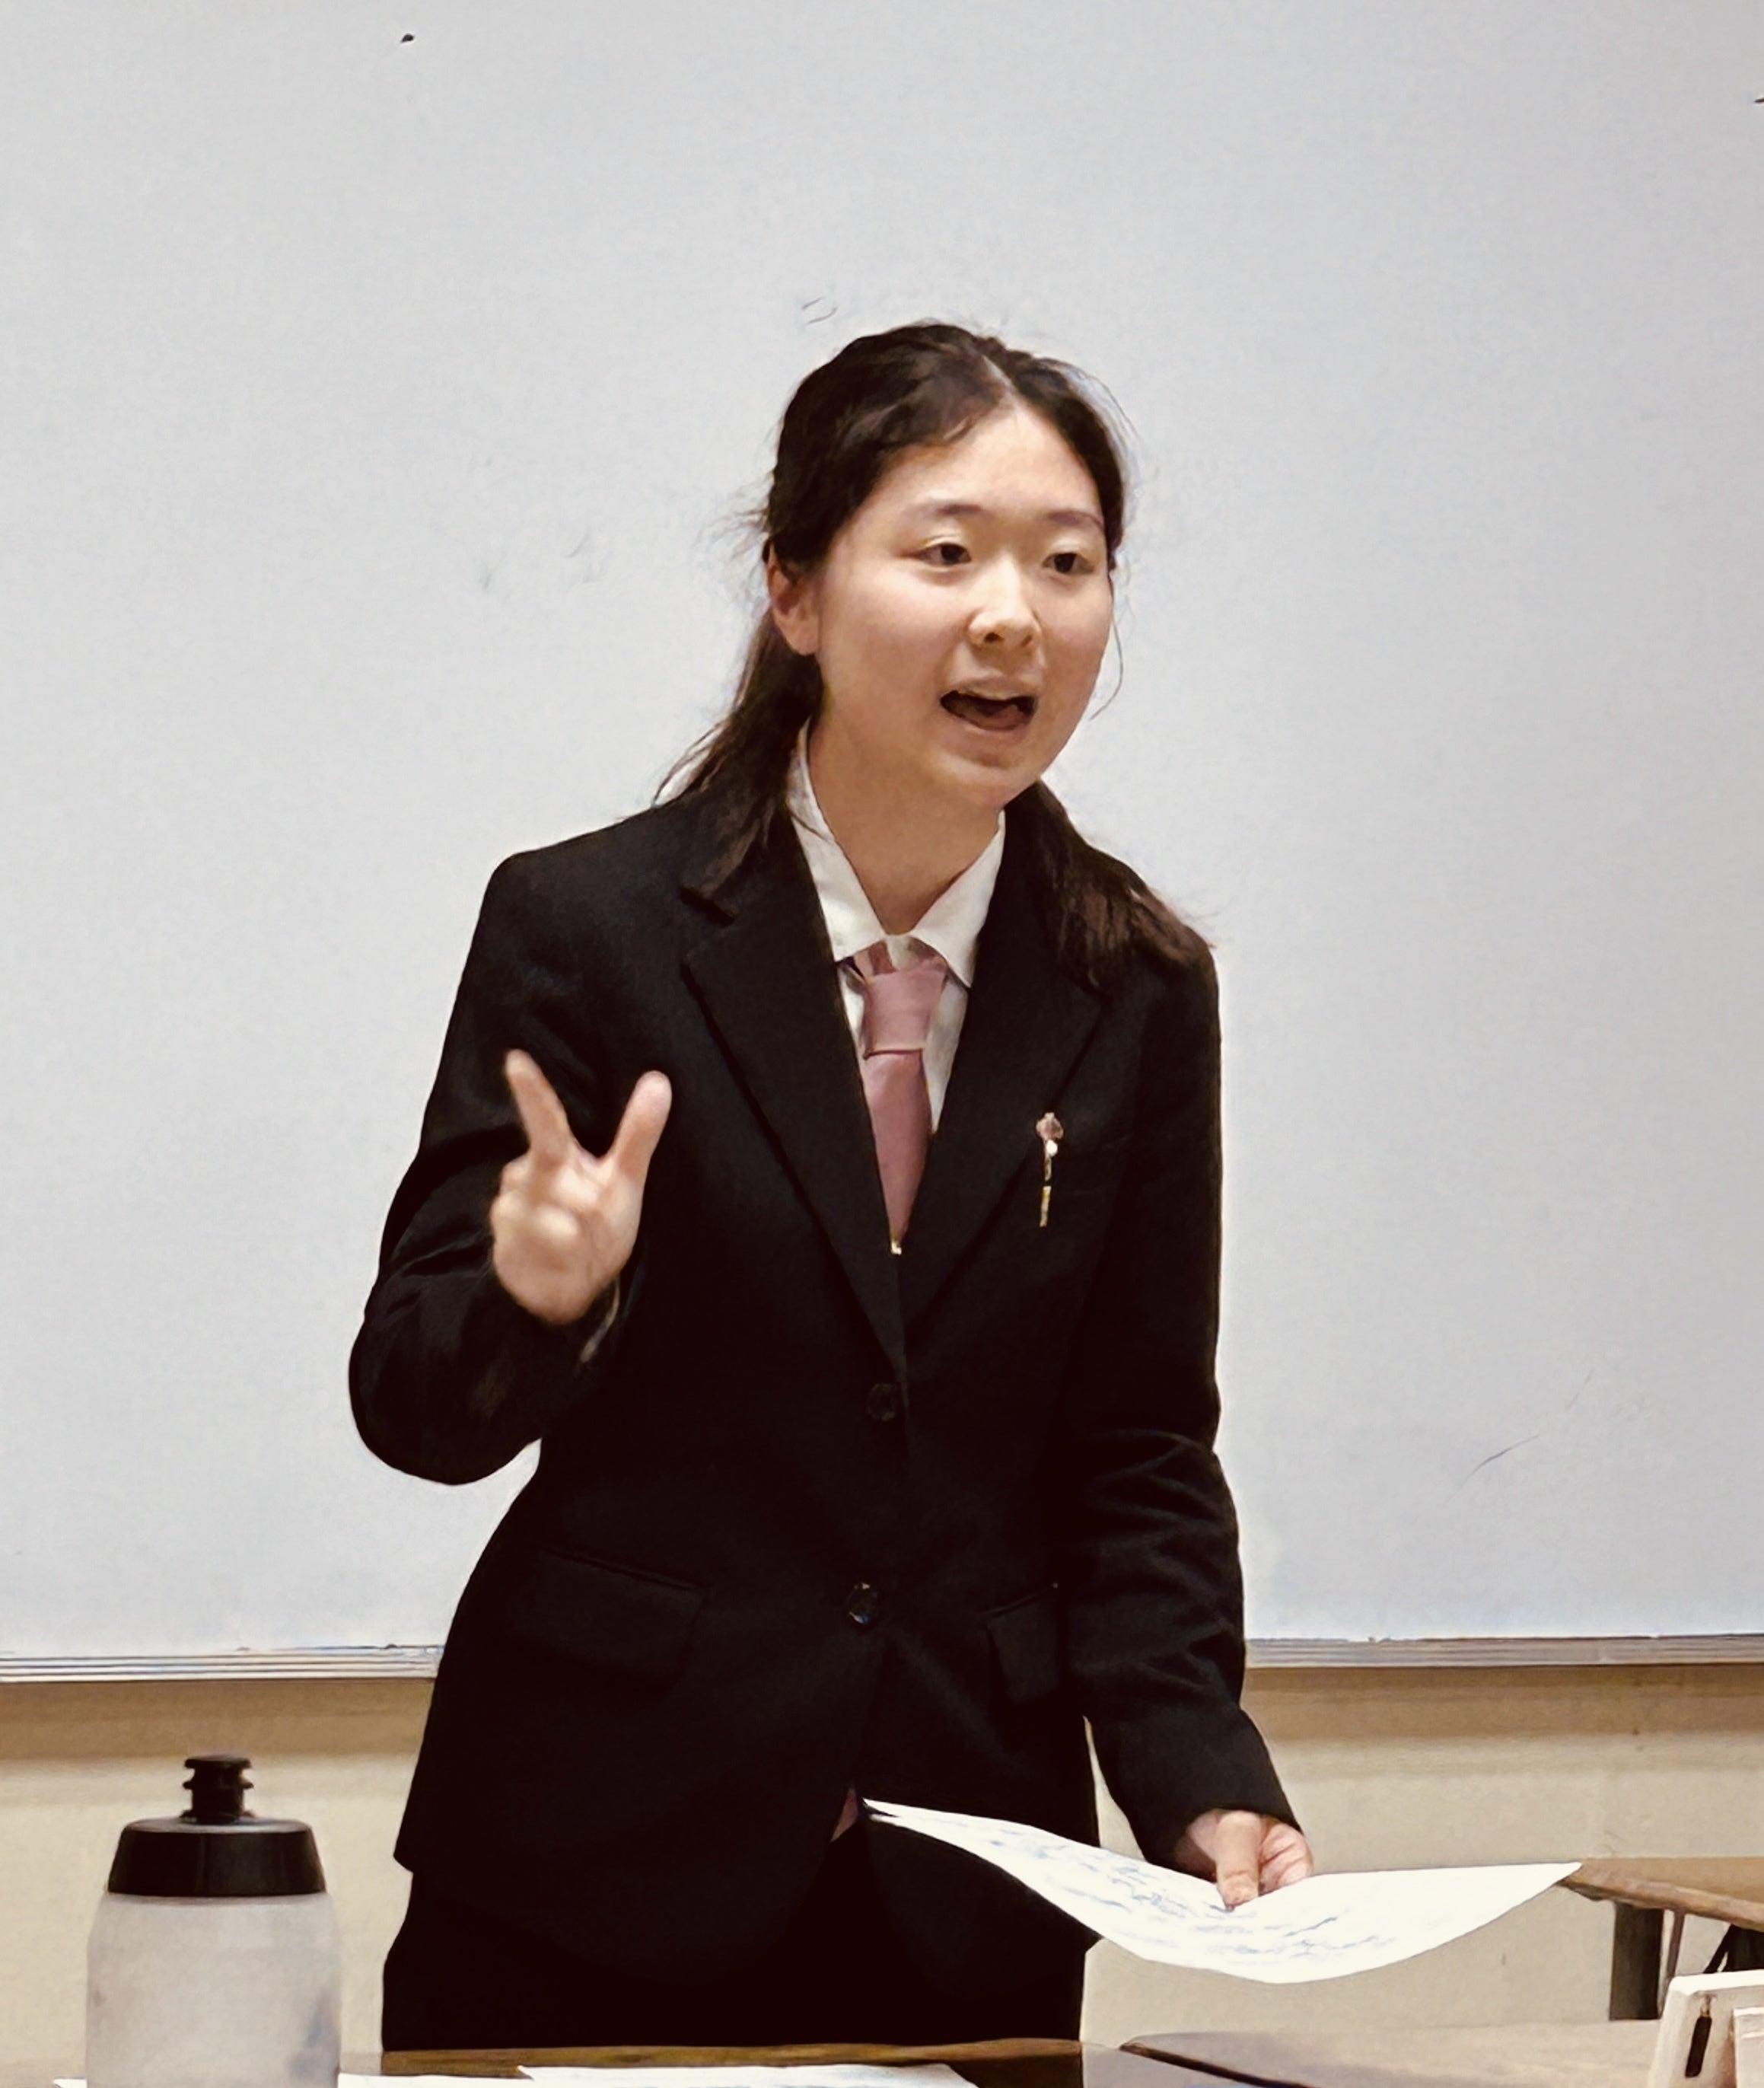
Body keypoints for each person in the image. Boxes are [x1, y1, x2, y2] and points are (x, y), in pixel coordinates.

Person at [349, 320, 1313, 2052]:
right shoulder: (589, 930)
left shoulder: (1135, 983)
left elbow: (1136, 1443)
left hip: (964, 1885)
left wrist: (1197, 1770)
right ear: (792, 590)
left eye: (1067, 562)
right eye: (945, 553)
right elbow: (414, 1406)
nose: (1012, 615)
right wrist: (535, 1296)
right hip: (593, 1862)